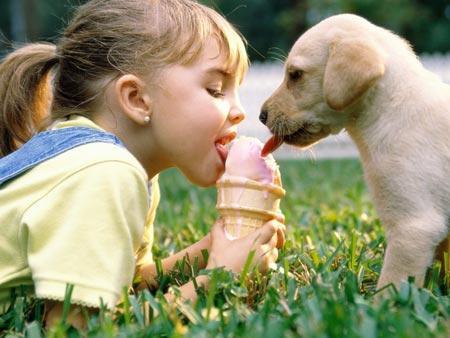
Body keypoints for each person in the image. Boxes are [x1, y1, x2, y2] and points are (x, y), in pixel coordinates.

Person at [0, 0, 285, 330]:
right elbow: (76, 328)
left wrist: (210, 250)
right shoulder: (103, 171)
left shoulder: (123, 170)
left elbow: (133, 284)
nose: (238, 111)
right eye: (215, 89)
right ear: (136, 98)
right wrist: (218, 279)